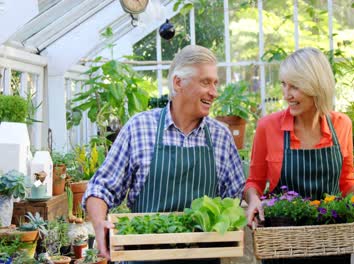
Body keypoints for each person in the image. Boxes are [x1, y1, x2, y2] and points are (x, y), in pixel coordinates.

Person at [83, 45, 245, 264]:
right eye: (205, 82)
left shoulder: (220, 137)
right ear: (178, 82)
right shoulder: (139, 128)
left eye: (215, 83)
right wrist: (99, 221)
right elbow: (101, 188)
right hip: (143, 258)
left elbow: (238, 194)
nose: (214, 92)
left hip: (202, 259)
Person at [244, 48, 354, 263]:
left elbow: (346, 182)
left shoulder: (341, 125)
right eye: (283, 84)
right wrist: (253, 200)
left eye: (295, 87)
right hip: (283, 243)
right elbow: (254, 182)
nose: (286, 94)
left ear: (316, 87)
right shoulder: (267, 126)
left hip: (331, 242)